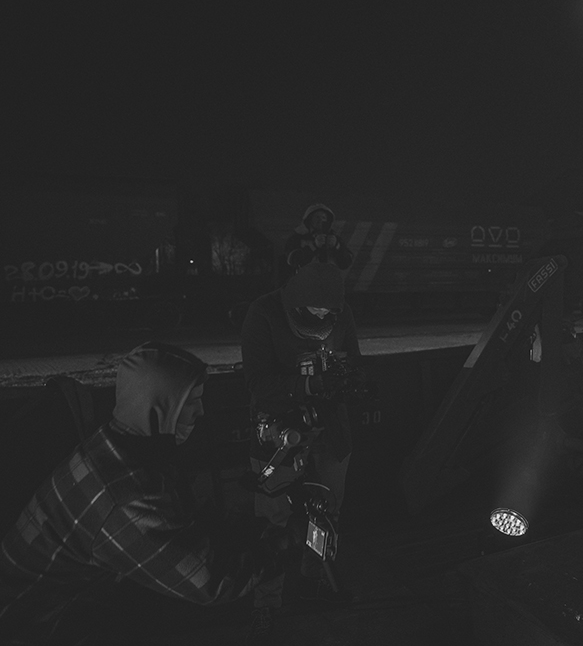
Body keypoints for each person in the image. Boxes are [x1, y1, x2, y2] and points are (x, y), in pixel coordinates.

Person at [0, 342, 285, 645]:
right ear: (160, 407)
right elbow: (211, 583)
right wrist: (282, 544)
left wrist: (245, 528)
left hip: (59, 605)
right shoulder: (126, 496)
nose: (201, 411)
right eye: (192, 401)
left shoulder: (115, 444)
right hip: (32, 627)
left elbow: (186, 518)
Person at [240, 260, 363, 644]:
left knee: (326, 513)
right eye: (316, 309)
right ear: (295, 301)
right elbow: (259, 384)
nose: (323, 316)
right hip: (279, 434)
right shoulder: (263, 312)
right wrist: (308, 385)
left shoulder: (341, 313)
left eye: (330, 311)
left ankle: (313, 580)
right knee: (272, 520)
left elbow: (354, 362)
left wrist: (345, 380)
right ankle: (266, 603)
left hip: (330, 429)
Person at [280, 203, 353, 285]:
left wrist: (337, 246)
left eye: (324, 217)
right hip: (305, 285)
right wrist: (313, 246)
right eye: (317, 217)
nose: (321, 220)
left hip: (329, 285)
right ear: (309, 219)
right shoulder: (297, 238)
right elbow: (292, 260)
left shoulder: (335, 239)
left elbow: (346, 263)